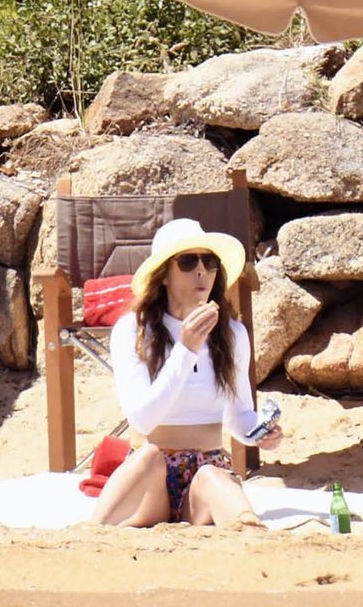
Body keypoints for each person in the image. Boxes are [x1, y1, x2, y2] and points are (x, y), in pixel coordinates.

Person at [90, 218, 282, 528]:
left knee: (216, 481)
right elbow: (143, 418)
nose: (202, 271)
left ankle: (249, 532)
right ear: (164, 275)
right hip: (152, 475)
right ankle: (90, 533)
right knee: (147, 459)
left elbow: (239, 416)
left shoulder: (231, 333)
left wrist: (260, 432)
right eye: (188, 261)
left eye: (209, 261)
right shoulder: (133, 331)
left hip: (206, 467)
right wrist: (186, 349)